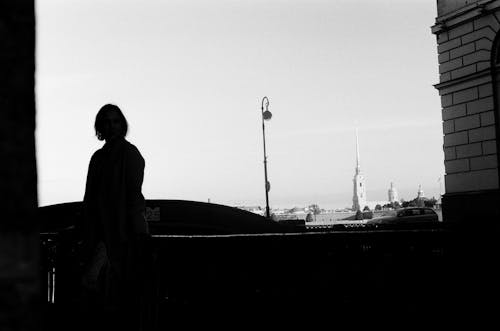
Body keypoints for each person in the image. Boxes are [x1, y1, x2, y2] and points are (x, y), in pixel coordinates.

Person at [79, 104, 150, 330]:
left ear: (122, 124)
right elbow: (90, 199)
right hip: (102, 232)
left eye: (115, 121)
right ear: (101, 126)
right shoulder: (98, 158)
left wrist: (136, 232)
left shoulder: (129, 155)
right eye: (107, 122)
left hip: (119, 233)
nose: (111, 126)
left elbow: (133, 197)